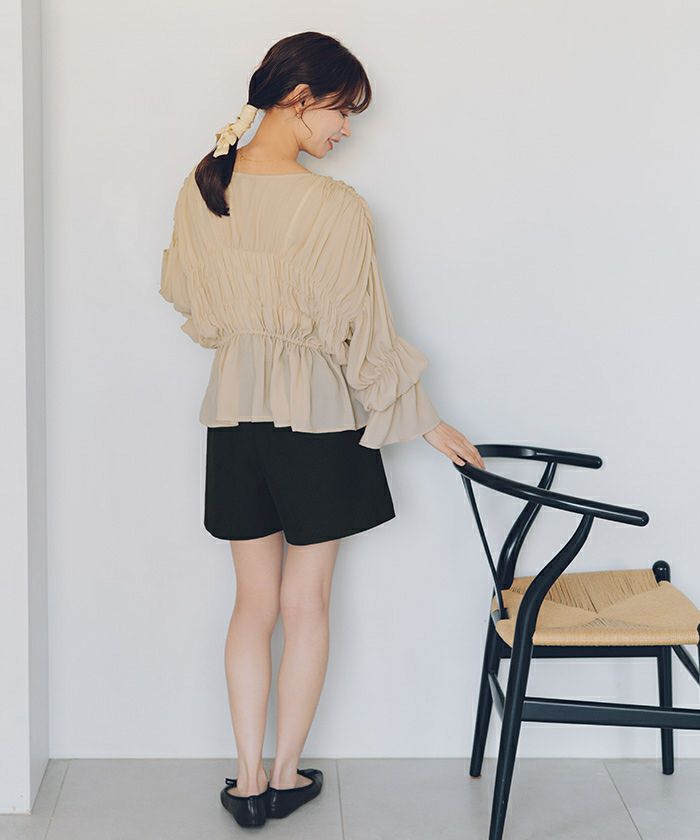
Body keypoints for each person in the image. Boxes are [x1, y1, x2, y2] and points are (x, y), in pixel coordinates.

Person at [159, 31, 485, 829]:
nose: (346, 130)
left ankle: (245, 783)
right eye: (342, 112)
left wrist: (252, 339)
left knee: (252, 605)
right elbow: (363, 338)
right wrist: (428, 421)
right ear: (300, 98)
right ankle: (285, 773)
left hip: (233, 415)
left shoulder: (204, 188)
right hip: (317, 417)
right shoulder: (336, 207)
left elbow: (194, 306)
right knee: (305, 604)